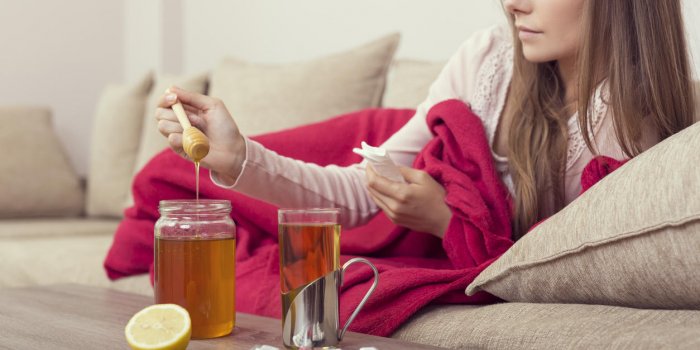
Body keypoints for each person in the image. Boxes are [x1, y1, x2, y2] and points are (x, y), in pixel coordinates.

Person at [155, 0, 695, 241]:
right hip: (390, 137)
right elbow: (363, 192)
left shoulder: (630, 130)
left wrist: (445, 223)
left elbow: (567, 267)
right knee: (167, 188)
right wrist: (239, 157)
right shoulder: (487, 60)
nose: (512, 3)